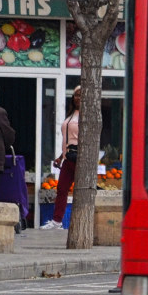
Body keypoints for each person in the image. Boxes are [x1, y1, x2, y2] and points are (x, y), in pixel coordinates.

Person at [44, 86, 82, 230]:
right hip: (68, 158)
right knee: (61, 189)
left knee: (80, 191)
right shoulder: (72, 114)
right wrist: (61, 156)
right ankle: (57, 221)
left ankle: (79, 222)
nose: (78, 98)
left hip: (80, 158)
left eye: (81, 95)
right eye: (76, 95)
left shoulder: (87, 116)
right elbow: (69, 139)